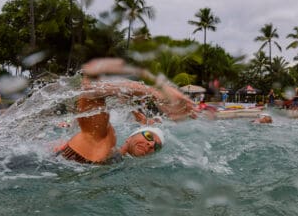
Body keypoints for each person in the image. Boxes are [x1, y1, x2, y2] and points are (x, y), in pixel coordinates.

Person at [53, 58, 195, 164]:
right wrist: (155, 92)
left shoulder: (119, 163)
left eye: (156, 147)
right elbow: (90, 88)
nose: (151, 144)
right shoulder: (104, 138)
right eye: (148, 136)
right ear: (129, 137)